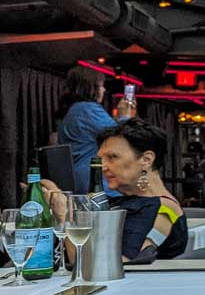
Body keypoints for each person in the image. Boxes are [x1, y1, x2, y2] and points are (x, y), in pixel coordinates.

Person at [46, 119, 188, 263]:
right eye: (101, 159)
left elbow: (106, 264)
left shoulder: (164, 210)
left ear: (146, 160)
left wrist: (64, 216)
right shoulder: (119, 201)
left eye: (112, 157)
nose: (103, 166)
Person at [57, 67, 133, 193]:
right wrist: (125, 116)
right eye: (101, 86)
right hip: (93, 178)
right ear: (91, 88)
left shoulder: (73, 109)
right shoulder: (88, 109)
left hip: (78, 176)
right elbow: (121, 136)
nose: (104, 90)